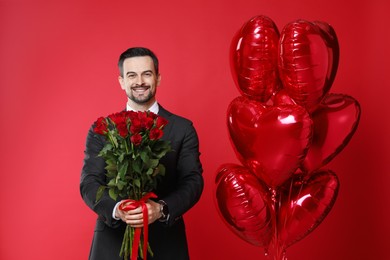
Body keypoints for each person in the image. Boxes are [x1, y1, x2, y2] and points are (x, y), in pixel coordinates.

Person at [80, 47, 204, 260]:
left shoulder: (183, 129)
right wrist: (117, 209)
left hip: (166, 245)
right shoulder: (103, 128)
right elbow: (89, 182)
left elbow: (192, 181)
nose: (140, 81)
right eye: (132, 75)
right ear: (121, 81)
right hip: (111, 246)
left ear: (158, 78)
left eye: (147, 74)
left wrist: (162, 209)